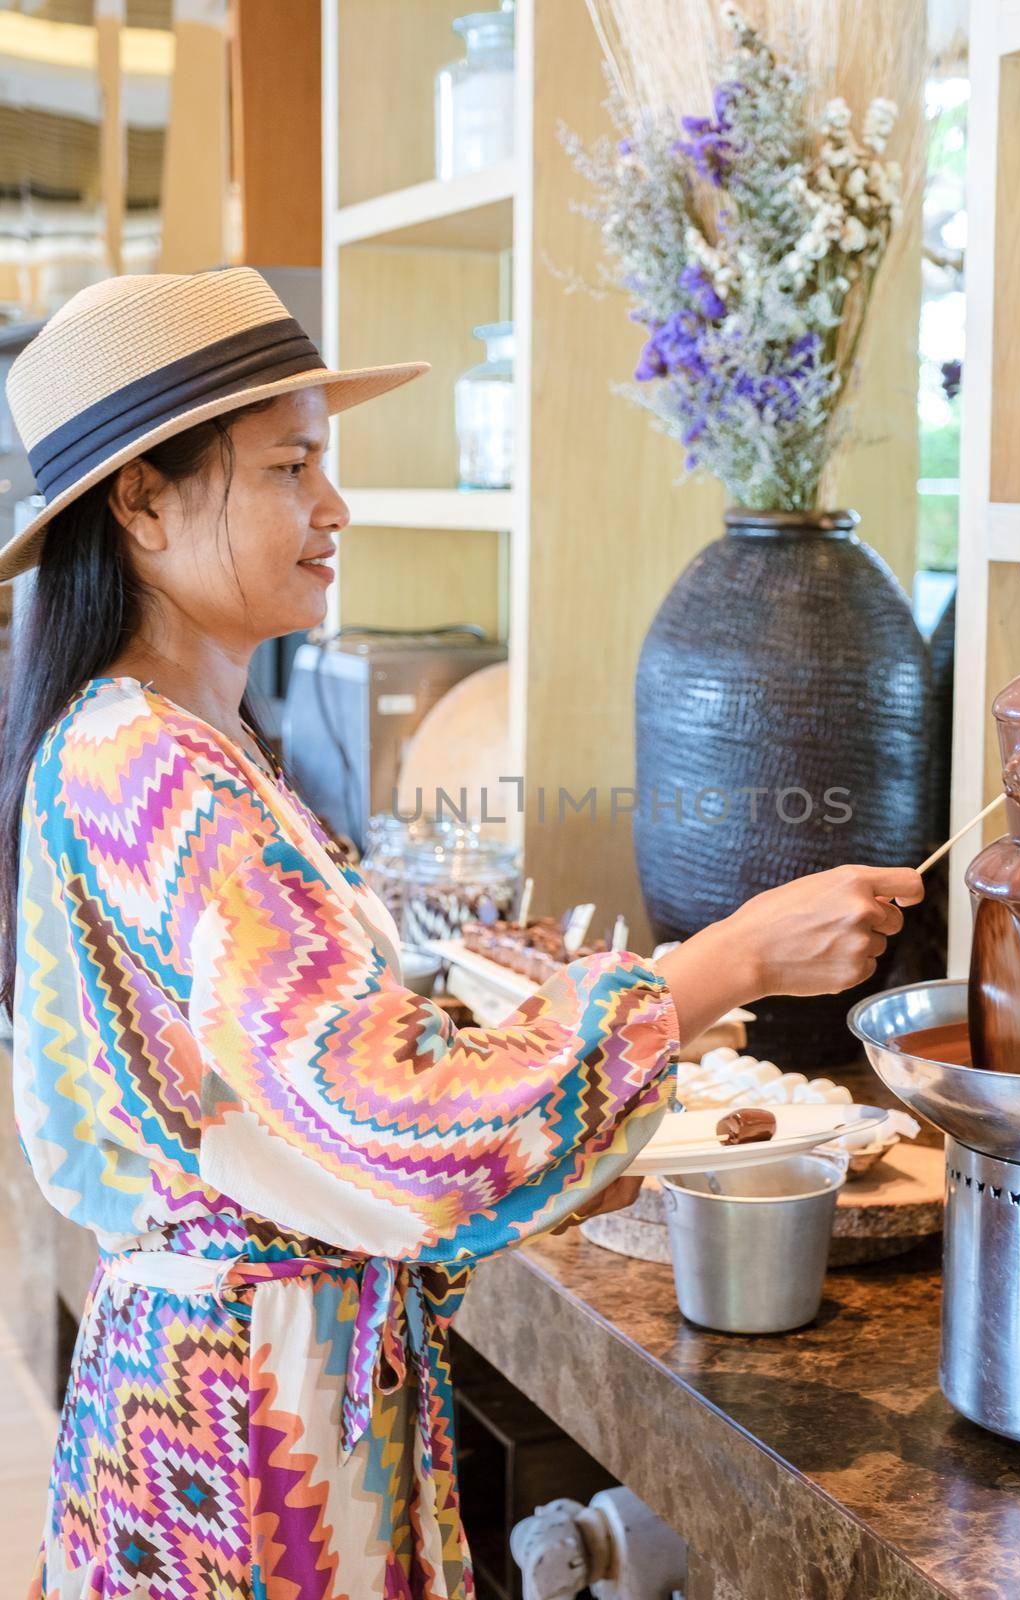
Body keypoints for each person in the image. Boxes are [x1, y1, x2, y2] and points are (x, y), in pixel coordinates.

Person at [0, 267, 922, 1600]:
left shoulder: (138, 745)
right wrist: (724, 966)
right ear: (141, 501)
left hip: (217, 1396)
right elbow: (400, 1125)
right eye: (289, 467)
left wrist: (567, 1135)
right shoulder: (161, 776)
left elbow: (282, 1108)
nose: (336, 507)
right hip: (265, 1442)